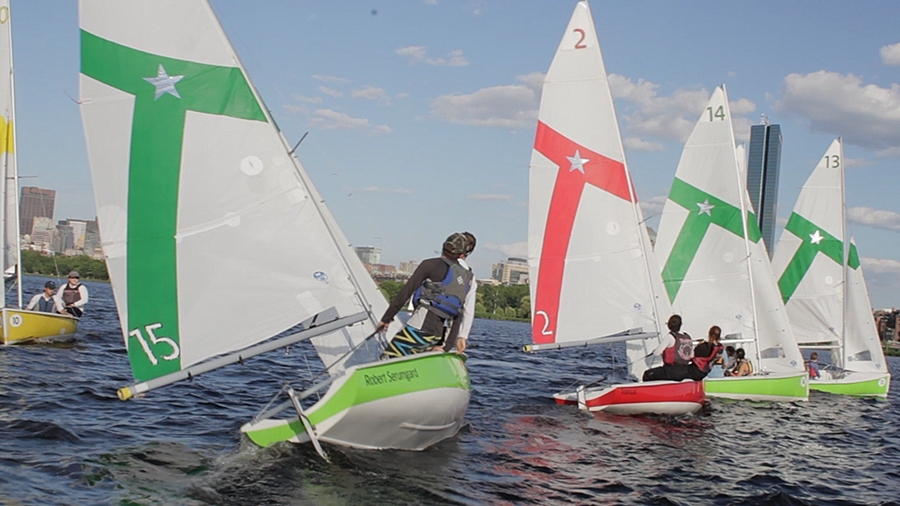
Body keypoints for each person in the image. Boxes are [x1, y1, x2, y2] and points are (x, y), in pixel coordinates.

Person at [376, 233, 474, 358]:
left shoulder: (430, 264)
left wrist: (386, 319)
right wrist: (447, 346)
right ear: (461, 255)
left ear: (443, 246)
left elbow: (406, 292)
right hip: (436, 335)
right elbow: (458, 314)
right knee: (409, 364)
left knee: (387, 359)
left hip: (418, 327)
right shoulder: (466, 277)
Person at [642, 314, 695, 382]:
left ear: (669, 325)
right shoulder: (687, 337)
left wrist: (654, 351)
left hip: (671, 370)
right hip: (685, 370)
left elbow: (656, 353)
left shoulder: (670, 336)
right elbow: (692, 355)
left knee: (647, 374)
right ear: (680, 325)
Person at [453, 232, 477, 354]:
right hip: (451, 327)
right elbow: (469, 310)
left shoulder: (438, 264)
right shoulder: (470, 277)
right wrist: (463, 336)